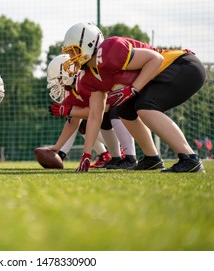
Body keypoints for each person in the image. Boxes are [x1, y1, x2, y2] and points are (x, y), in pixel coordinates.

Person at [60, 22, 206, 173]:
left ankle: (190, 158)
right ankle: (152, 158)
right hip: (159, 77)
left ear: (89, 44)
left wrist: (133, 89)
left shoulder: (109, 50)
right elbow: (95, 115)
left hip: (181, 65)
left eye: (74, 51)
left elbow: (156, 59)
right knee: (125, 110)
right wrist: (87, 154)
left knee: (146, 106)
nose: (71, 57)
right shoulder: (88, 77)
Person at [47, 54, 136, 169]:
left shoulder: (86, 81)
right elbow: (72, 122)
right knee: (98, 123)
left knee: (116, 112)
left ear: (68, 73)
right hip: (109, 109)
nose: (59, 83)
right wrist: (57, 147)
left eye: (59, 79)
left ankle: (130, 157)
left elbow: (97, 111)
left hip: (125, 102)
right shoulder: (73, 93)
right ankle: (115, 157)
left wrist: (69, 111)